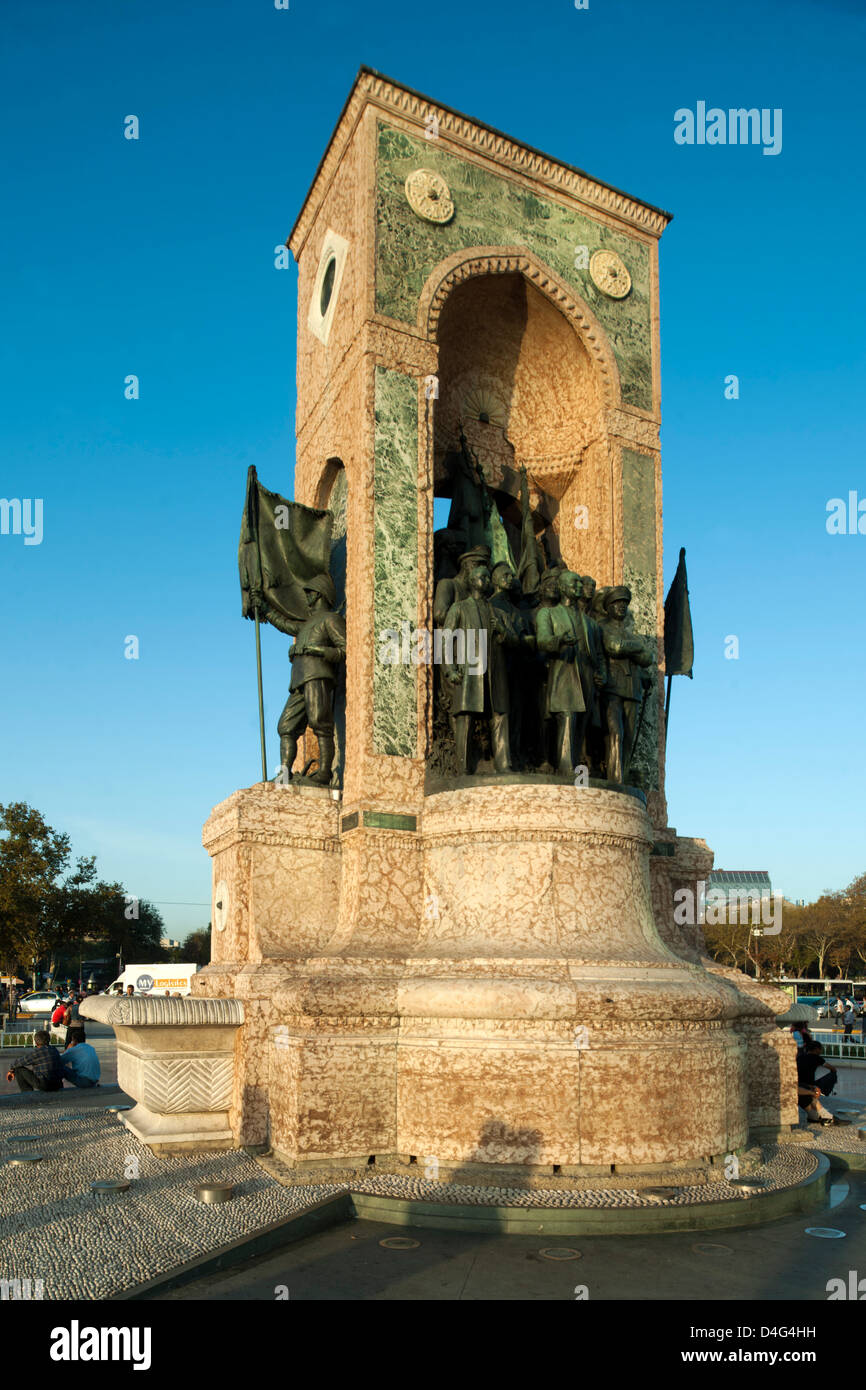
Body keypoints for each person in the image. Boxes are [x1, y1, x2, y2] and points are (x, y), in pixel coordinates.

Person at [258, 573, 346, 786]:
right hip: (298, 681)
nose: (306, 597)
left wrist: (316, 650)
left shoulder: (330, 619)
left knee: (319, 722)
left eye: (309, 593)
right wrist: (264, 608)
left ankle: (325, 772)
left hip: (317, 675)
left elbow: (344, 649)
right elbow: (285, 624)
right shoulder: (306, 623)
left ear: (318, 594)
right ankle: (284, 775)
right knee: (285, 726)